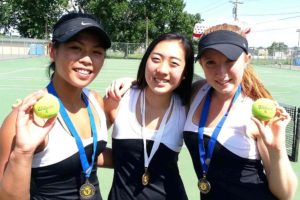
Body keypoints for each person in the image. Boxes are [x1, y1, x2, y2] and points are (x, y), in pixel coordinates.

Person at [0, 12, 113, 200]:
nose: (87, 59)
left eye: (97, 52)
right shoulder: (25, 119)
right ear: (52, 51)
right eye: (76, 48)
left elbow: (91, 154)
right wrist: (23, 152)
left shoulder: (96, 101)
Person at [183, 23, 298, 200]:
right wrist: (133, 84)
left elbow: (286, 194)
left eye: (230, 61)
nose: (221, 73)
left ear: (246, 59)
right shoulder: (197, 91)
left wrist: (276, 149)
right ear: (201, 64)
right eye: (211, 62)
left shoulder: (256, 112)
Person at [104, 33, 194, 200]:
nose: (162, 70)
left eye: (174, 63)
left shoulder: (187, 108)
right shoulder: (119, 98)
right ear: (146, 61)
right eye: (156, 59)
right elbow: (88, 148)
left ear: (185, 73)